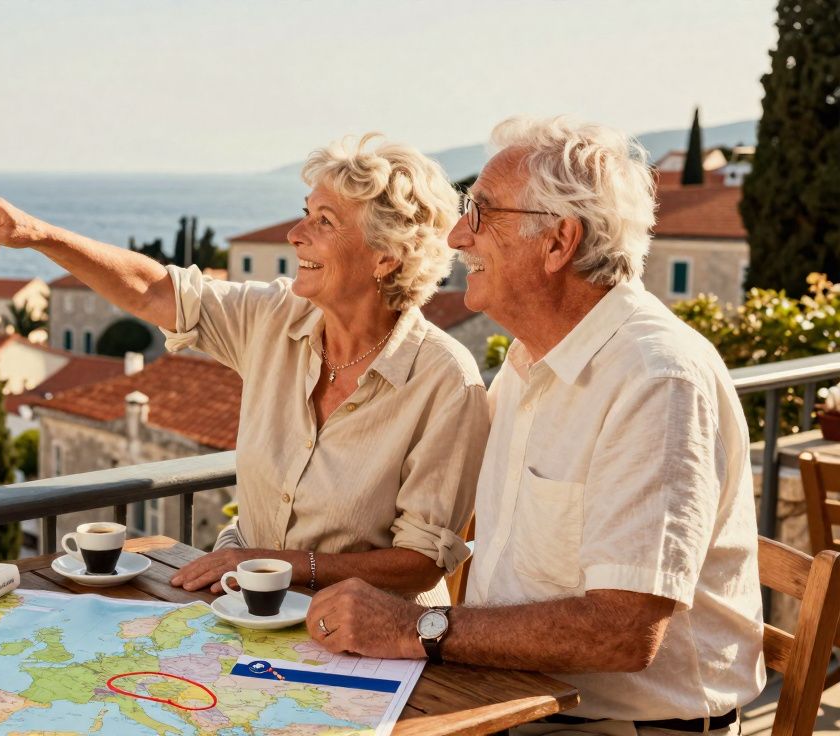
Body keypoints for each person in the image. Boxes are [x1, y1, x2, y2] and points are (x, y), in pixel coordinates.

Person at [306, 117, 765, 733]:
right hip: (516, 697)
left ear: (558, 242)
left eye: (481, 212)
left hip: (621, 726)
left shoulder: (655, 380)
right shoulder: (530, 360)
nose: (457, 235)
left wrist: (413, 626)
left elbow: (623, 632)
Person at [0, 133, 489, 602]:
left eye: (324, 221)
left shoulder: (444, 380)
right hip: (245, 607)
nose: (296, 234)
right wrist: (37, 234)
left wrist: (275, 565)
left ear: (386, 256)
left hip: (373, 638)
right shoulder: (275, 317)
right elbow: (155, 291)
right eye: (305, 212)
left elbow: (421, 563)